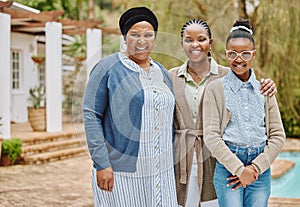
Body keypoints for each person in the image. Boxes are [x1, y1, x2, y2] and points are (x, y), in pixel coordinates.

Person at [168, 19, 277, 207]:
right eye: (188, 40)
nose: (195, 44)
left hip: (217, 159)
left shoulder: (229, 75)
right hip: (182, 158)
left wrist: (268, 85)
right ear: (182, 44)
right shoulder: (170, 76)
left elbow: (249, 82)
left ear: (211, 44)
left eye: (201, 39)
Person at [82, 7, 178, 207]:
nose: (142, 40)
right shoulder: (107, 68)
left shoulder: (162, 72)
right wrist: (102, 163)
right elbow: (91, 114)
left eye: (148, 35)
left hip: (162, 170)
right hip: (121, 172)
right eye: (135, 34)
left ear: (155, 39)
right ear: (125, 38)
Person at [202, 19, 286, 207]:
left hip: (260, 169)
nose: (238, 59)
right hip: (228, 167)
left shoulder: (264, 89)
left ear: (253, 54)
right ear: (226, 54)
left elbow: (278, 135)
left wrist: (255, 168)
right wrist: (239, 170)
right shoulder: (215, 89)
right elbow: (211, 136)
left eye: (245, 54)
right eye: (232, 53)